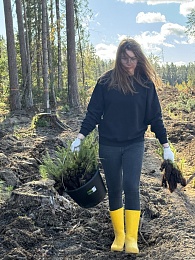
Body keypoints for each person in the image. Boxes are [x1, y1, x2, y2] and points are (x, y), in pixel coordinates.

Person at [70, 38, 174, 254]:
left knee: (131, 187)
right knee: (115, 189)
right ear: (118, 58)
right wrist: (80, 137)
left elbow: (155, 117)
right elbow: (93, 113)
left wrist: (165, 145)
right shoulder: (106, 82)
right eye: (124, 58)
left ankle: (132, 237)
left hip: (135, 143)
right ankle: (119, 234)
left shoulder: (145, 85)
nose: (128, 63)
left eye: (132, 58)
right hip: (108, 144)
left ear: (139, 58)